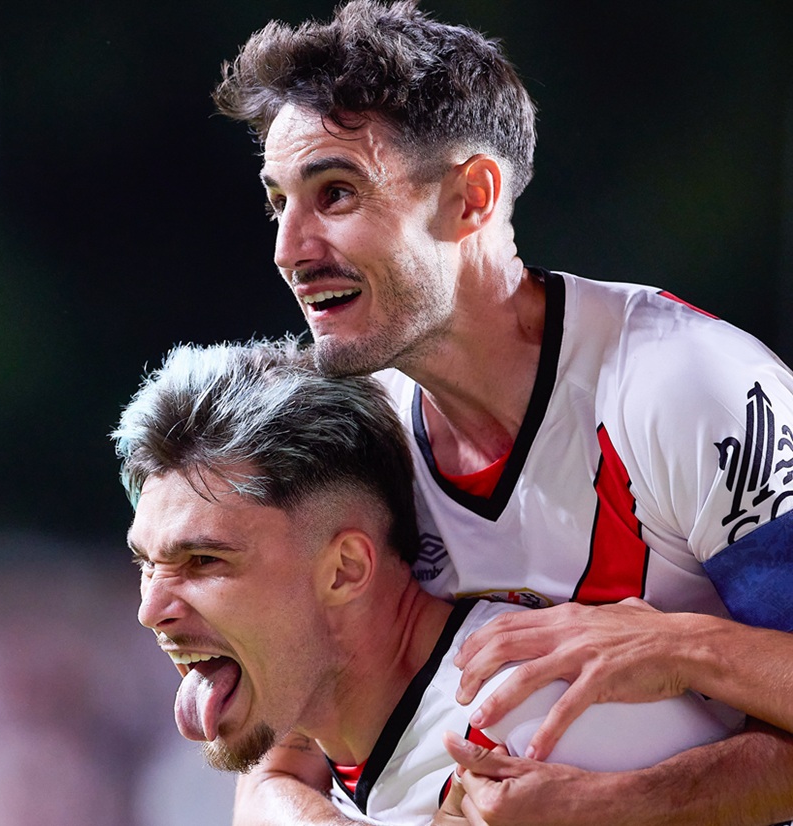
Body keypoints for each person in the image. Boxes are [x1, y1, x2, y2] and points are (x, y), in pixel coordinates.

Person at [206, 1, 793, 824]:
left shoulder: (687, 387)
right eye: (279, 203)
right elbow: (277, 766)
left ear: (472, 198)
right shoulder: (359, 424)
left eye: (335, 193)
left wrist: (669, 679)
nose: (288, 249)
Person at [113, 338, 747, 826]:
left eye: (205, 561)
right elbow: (267, 783)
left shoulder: (530, 731)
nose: (151, 609)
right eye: (147, 564)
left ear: (345, 570)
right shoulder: (328, 721)